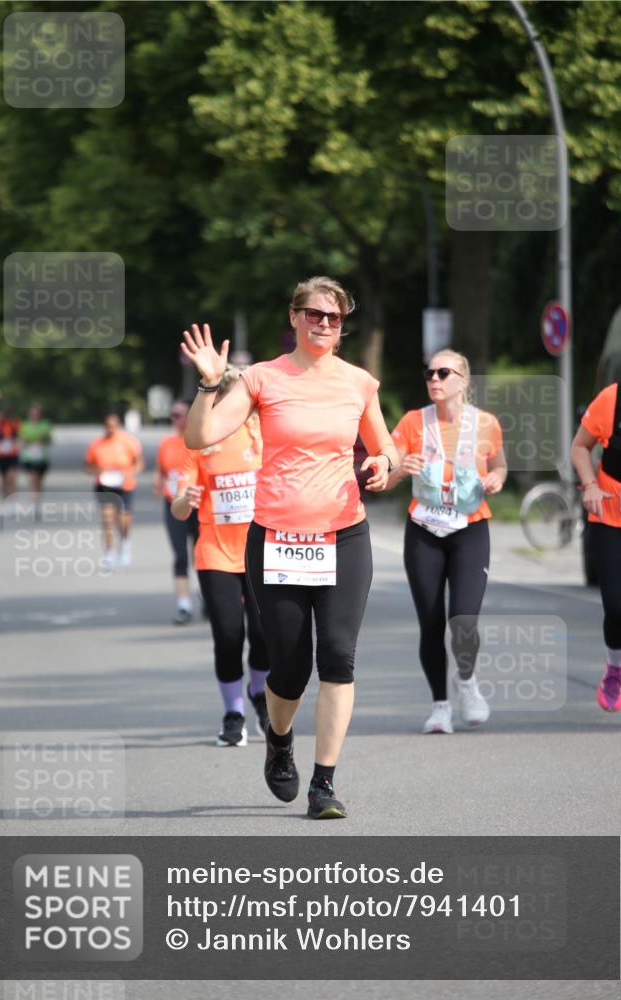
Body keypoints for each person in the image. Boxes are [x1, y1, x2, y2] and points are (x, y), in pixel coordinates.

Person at [181, 276, 398, 819]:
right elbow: (198, 438)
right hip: (277, 539)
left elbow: (386, 448)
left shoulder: (358, 383)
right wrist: (210, 384)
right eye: (315, 314)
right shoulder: (261, 378)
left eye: (335, 317)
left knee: (339, 657)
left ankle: (324, 783)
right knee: (289, 667)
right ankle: (279, 740)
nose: (325, 324)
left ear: (343, 326)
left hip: (344, 534)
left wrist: (383, 465)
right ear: (295, 317)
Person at [387, 349, 507, 734]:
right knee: (431, 622)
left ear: (463, 380)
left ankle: (467, 681)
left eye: (443, 372)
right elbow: (383, 476)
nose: (434, 379)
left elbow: (500, 463)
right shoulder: (411, 422)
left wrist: (497, 479)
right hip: (424, 528)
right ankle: (440, 706)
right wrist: (399, 469)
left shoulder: (486, 424)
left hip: (470, 528)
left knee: (464, 621)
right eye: (429, 373)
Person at [172, 368, 269, 746]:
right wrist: (186, 500)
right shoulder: (197, 444)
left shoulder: (263, 436)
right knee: (229, 636)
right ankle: (233, 713)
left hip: (261, 552)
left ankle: (258, 692)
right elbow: (179, 508)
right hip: (216, 552)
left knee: (265, 637)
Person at [571, 331, 621, 712]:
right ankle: (616, 665)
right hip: (613, 519)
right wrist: (589, 485)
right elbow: (580, 446)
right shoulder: (614, 399)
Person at [154, 399, 201, 625]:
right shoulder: (167, 443)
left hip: (201, 505)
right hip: (174, 503)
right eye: (172, 415)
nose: (175, 420)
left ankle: (208, 598)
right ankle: (184, 605)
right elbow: (163, 470)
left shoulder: (202, 440)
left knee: (200, 555)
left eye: (178, 414)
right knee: (180, 555)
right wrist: (158, 484)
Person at [84, 410, 144, 569]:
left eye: (114, 425)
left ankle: (125, 543)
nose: (111, 428)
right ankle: (109, 553)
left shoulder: (129, 442)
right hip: (104, 485)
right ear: (104, 426)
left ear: (118, 425)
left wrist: (131, 473)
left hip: (125, 485)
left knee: (124, 520)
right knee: (108, 518)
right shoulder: (96, 444)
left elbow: (139, 463)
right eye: (108, 426)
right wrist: (97, 471)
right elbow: (87, 466)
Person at [19, 403, 52, 511]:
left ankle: (37, 499)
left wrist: (41, 440)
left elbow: (49, 440)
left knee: (39, 480)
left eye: (36, 414)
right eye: (32, 414)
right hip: (29, 457)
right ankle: (34, 501)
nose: (34, 415)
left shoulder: (45, 424)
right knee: (32, 478)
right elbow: (21, 439)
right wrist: (28, 441)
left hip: (42, 457)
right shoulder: (25, 425)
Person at [0, 404, 22, 499]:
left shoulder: (15, 422)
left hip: (12, 454)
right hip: (1, 455)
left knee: (11, 478)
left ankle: (12, 498)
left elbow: (20, 436)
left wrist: (18, 445)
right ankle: (5, 497)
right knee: (3, 480)